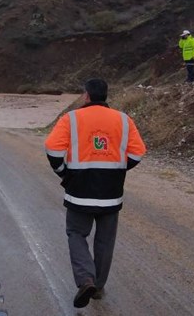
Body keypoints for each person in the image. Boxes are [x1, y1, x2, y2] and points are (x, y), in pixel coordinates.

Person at [44, 78, 147, 308]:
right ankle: (98, 286)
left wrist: (64, 173)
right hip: (111, 192)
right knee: (105, 240)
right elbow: (138, 152)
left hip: (79, 190)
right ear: (105, 95)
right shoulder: (123, 119)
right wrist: (119, 169)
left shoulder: (71, 119)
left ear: (87, 95)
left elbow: (52, 147)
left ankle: (85, 279)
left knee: (76, 234)